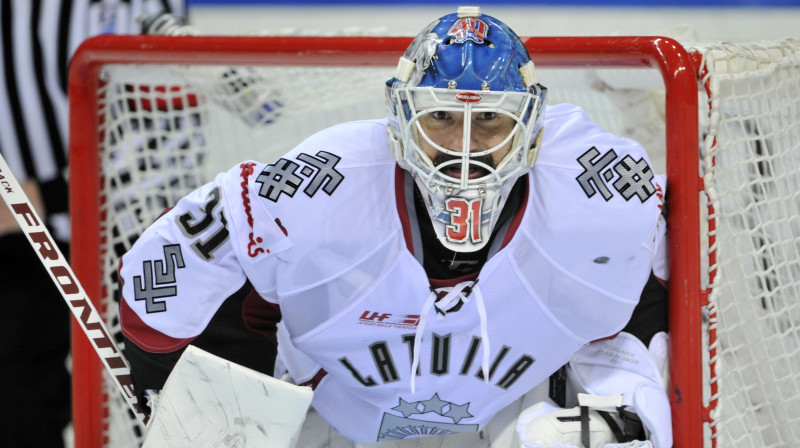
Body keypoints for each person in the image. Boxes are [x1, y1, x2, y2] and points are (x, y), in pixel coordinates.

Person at [118, 6, 671, 447]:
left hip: (509, 422)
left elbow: (641, 312)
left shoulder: (595, 186)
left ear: (530, 126)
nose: (463, 149)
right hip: (338, 423)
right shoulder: (326, 183)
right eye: (441, 117)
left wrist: (625, 414)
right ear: (402, 117)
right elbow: (172, 261)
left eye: (490, 122)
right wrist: (175, 389)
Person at [0, 2, 186, 447]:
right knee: (14, 406)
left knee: (160, 413)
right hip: (14, 253)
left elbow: (160, 144)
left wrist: (36, 197)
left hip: (122, 240)